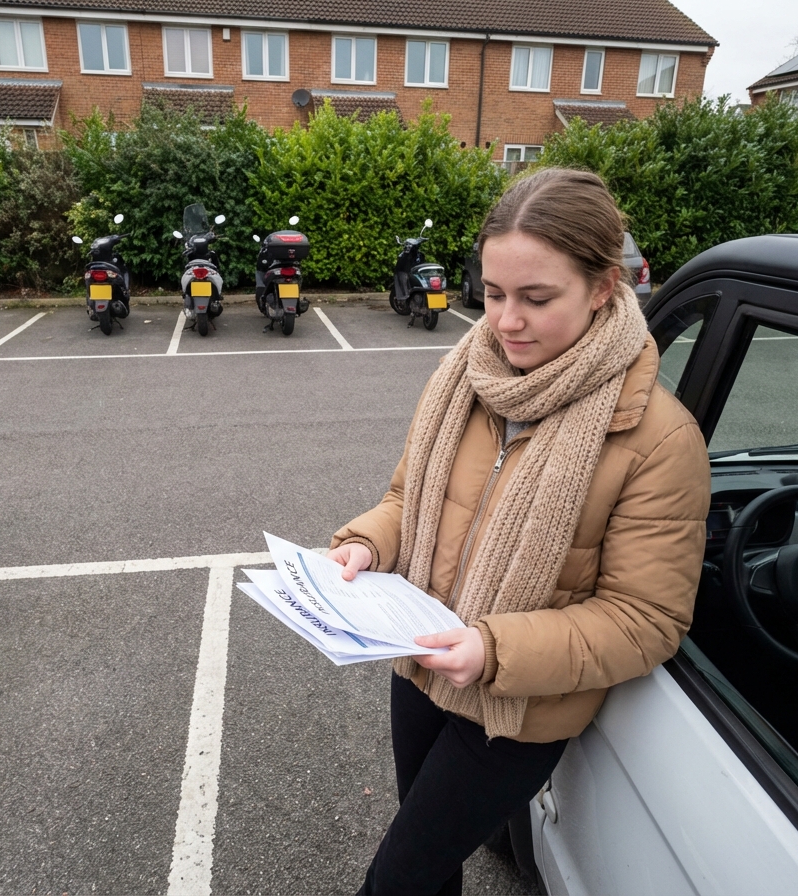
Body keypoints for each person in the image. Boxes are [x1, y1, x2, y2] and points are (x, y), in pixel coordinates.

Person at [327, 167, 711, 896]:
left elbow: (647, 618)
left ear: (603, 287)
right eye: (494, 293)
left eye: (537, 298)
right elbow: (411, 498)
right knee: (431, 858)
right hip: (419, 662)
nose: (505, 322)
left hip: (519, 707)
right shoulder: (464, 378)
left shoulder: (659, 438)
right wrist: (368, 543)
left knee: (396, 878)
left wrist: (495, 651)